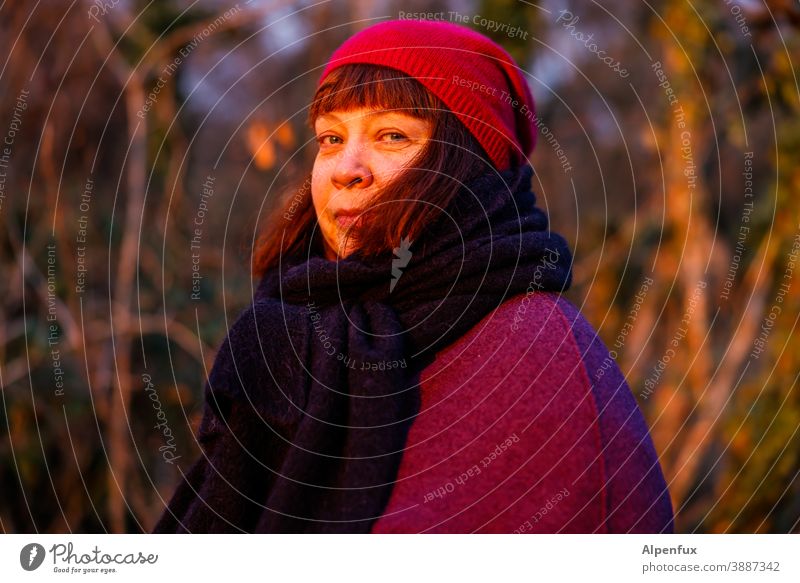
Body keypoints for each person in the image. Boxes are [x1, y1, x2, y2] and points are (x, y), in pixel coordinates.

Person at [153, 19, 674, 534]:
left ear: (469, 166)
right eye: (331, 138)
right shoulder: (302, 332)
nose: (346, 168)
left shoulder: (537, 357)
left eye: (392, 135)